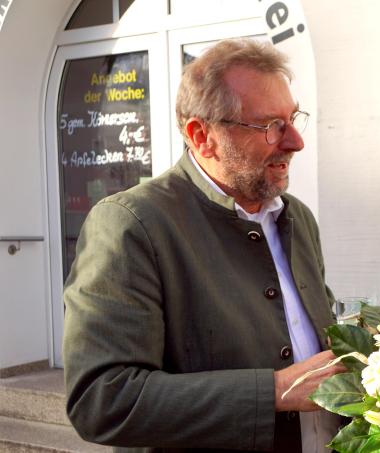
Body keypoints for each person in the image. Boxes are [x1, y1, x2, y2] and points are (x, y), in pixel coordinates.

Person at [63, 39, 344, 452]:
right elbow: (103, 399)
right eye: (271, 126)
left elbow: (317, 343)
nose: (295, 142)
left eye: (292, 119)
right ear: (202, 136)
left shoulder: (296, 217)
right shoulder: (132, 224)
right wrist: (274, 392)